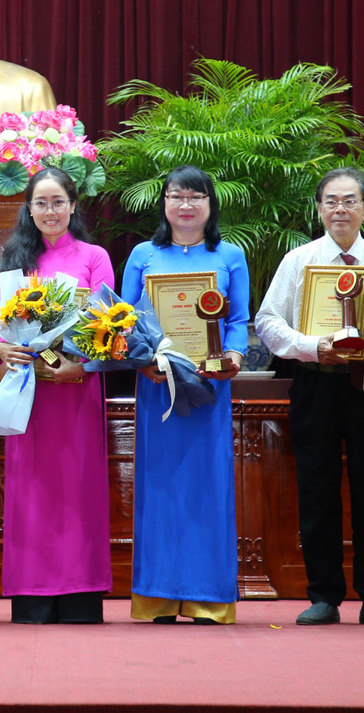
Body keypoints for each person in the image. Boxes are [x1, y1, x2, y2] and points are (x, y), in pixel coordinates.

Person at [255, 166, 364, 628]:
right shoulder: (299, 260)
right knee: (316, 490)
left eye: (349, 201)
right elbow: (267, 322)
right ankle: (323, 595)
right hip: (315, 381)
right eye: (331, 201)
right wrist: (312, 345)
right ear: (319, 208)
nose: (340, 209)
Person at [120, 166, 248, 625]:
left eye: (196, 196)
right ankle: (157, 597)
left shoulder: (230, 255)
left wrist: (232, 356)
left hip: (209, 386)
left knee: (207, 487)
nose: (186, 204)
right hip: (158, 387)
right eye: (176, 196)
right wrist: (144, 361)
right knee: (159, 487)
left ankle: (207, 598)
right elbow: (123, 319)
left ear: (211, 204)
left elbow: (239, 321)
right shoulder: (143, 255)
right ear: (164, 204)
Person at [0, 168, 114, 623]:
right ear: (29, 209)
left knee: (79, 489)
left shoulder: (94, 256)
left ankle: (81, 593)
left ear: (73, 205)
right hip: (31, 393)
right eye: (41, 203)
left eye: (58, 202)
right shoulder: (15, 258)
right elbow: (1, 325)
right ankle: (33, 592)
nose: (50, 211)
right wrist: (1, 347)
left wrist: (80, 365)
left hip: (77, 389)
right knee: (33, 493)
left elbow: (110, 323)